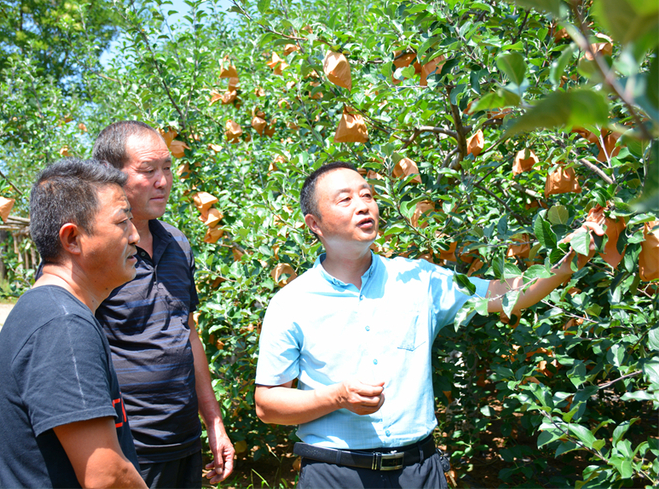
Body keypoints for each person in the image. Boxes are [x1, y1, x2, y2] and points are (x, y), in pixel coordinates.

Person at [254, 161, 600, 489]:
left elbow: (503, 294)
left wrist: (566, 262)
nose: (363, 205)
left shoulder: (419, 279)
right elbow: (267, 405)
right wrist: (337, 396)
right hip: (335, 473)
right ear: (314, 224)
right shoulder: (292, 302)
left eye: (367, 195)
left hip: (418, 470)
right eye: (345, 199)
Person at [0, 158, 147, 489]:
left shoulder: (46, 309)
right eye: (122, 222)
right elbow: (107, 475)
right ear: (72, 239)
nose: (135, 236)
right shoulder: (62, 325)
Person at [92, 121, 234, 488]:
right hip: (125, 446)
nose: (163, 181)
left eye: (167, 168)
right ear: (111, 175)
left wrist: (213, 424)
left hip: (183, 440)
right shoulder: (95, 251)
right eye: (148, 170)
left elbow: (189, 336)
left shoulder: (177, 244)